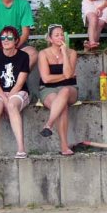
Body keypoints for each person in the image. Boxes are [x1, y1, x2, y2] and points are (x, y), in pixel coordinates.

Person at [0, 26, 31, 160]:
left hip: (18, 91)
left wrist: (9, 99)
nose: (5, 40)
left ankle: (21, 148)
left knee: (12, 106)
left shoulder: (23, 56)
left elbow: (20, 83)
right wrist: (3, 97)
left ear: (16, 40)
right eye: (2, 37)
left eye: (9, 38)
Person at [37, 24, 78, 156]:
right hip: (48, 90)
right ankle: (64, 147)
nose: (60, 37)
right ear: (50, 39)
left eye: (62, 34)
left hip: (70, 89)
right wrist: (65, 76)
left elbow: (68, 73)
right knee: (62, 106)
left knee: (65, 91)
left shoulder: (72, 53)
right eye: (57, 35)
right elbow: (46, 79)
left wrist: (64, 53)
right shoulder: (43, 54)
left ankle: (49, 124)